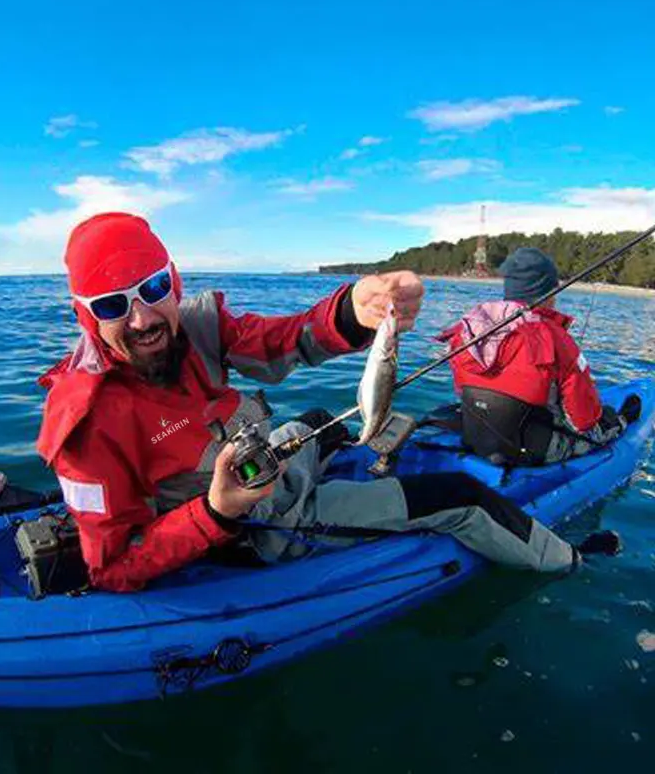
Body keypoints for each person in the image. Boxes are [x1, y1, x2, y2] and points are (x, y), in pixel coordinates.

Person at [36, 215, 618, 593]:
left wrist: (352, 310)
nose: (141, 319)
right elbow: (111, 568)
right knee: (464, 498)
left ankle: (374, 445)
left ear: (175, 282)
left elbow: (284, 339)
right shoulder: (85, 422)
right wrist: (216, 512)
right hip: (255, 528)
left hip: (265, 467)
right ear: (84, 314)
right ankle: (569, 561)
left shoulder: (197, 329)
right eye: (112, 305)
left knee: (319, 422)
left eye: (153, 290)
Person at [437, 247, 641, 465]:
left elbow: (463, 390)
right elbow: (585, 421)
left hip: (477, 438)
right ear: (547, 291)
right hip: (532, 452)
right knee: (605, 425)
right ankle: (624, 420)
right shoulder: (557, 340)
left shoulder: (466, 332)